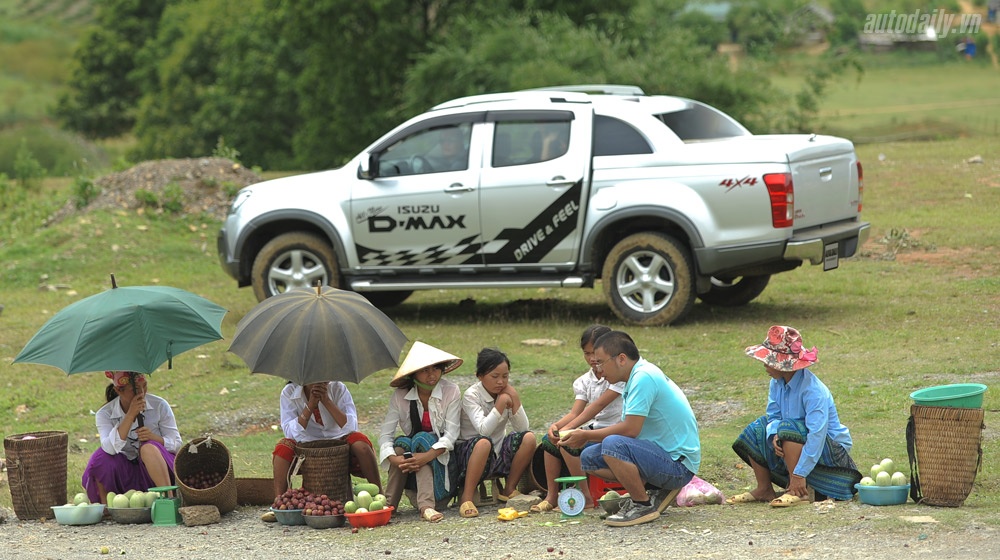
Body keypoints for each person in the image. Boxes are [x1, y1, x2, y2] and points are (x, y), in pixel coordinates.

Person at [563, 331, 700, 527]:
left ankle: (642, 504)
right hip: (660, 455)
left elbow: (630, 430)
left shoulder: (643, 377)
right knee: (589, 457)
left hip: (678, 465)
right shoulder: (634, 377)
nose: (598, 370)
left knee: (612, 444)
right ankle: (654, 489)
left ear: (621, 359)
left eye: (601, 362)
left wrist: (585, 434)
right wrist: (584, 436)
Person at [727, 325, 862, 507]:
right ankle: (764, 488)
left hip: (828, 449)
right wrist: (774, 435)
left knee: (788, 428)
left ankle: (797, 489)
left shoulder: (813, 391)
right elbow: (773, 415)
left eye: (769, 360)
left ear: (783, 365)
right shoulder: (776, 383)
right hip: (795, 440)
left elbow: (817, 435)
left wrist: (799, 475)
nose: (765, 365)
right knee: (757, 428)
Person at [531, 325, 624, 513]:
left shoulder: (618, 375)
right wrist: (557, 426)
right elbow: (576, 413)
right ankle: (551, 495)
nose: (591, 359)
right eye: (586, 353)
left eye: (595, 353)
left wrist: (570, 430)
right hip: (594, 428)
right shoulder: (585, 380)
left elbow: (596, 407)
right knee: (550, 441)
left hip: (613, 430)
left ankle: (585, 497)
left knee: (568, 441)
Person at [378, 342, 463, 523]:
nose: (431, 374)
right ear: (413, 374)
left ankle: (426, 506)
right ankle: (390, 505)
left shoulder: (451, 391)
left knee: (421, 439)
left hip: (441, 460)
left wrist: (425, 457)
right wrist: (395, 459)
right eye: (424, 370)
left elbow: (451, 434)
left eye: (435, 368)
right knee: (401, 445)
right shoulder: (400, 396)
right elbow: (386, 435)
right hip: (410, 460)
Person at [452, 347, 536, 518]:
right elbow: (483, 431)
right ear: (480, 376)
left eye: (505, 376)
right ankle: (466, 499)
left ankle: (509, 489)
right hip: (470, 455)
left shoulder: (506, 393)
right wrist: (500, 405)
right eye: (495, 377)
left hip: (497, 454)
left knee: (529, 438)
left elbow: (522, 428)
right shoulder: (471, 396)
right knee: (483, 443)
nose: (501, 382)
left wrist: (515, 399)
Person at [81, 371, 182, 505]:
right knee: (100, 456)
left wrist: (154, 438)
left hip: (158, 470)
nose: (141, 393)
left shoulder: (160, 405)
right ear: (119, 390)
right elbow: (109, 449)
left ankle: (169, 500)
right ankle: (106, 506)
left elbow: (177, 444)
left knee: (148, 449)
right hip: (126, 474)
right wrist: (130, 415)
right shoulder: (104, 414)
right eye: (134, 389)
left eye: (144, 386)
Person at [272, 381, 381, 499]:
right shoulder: (289, 391)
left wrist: (326, 401)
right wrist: (310, 405)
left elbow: (351, 427)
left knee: (361, 444)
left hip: (339, 439)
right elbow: (289, 433)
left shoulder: (338, 388)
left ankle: (379, 494)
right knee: (282, 450)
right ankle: (280, 501)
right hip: (305, 443)